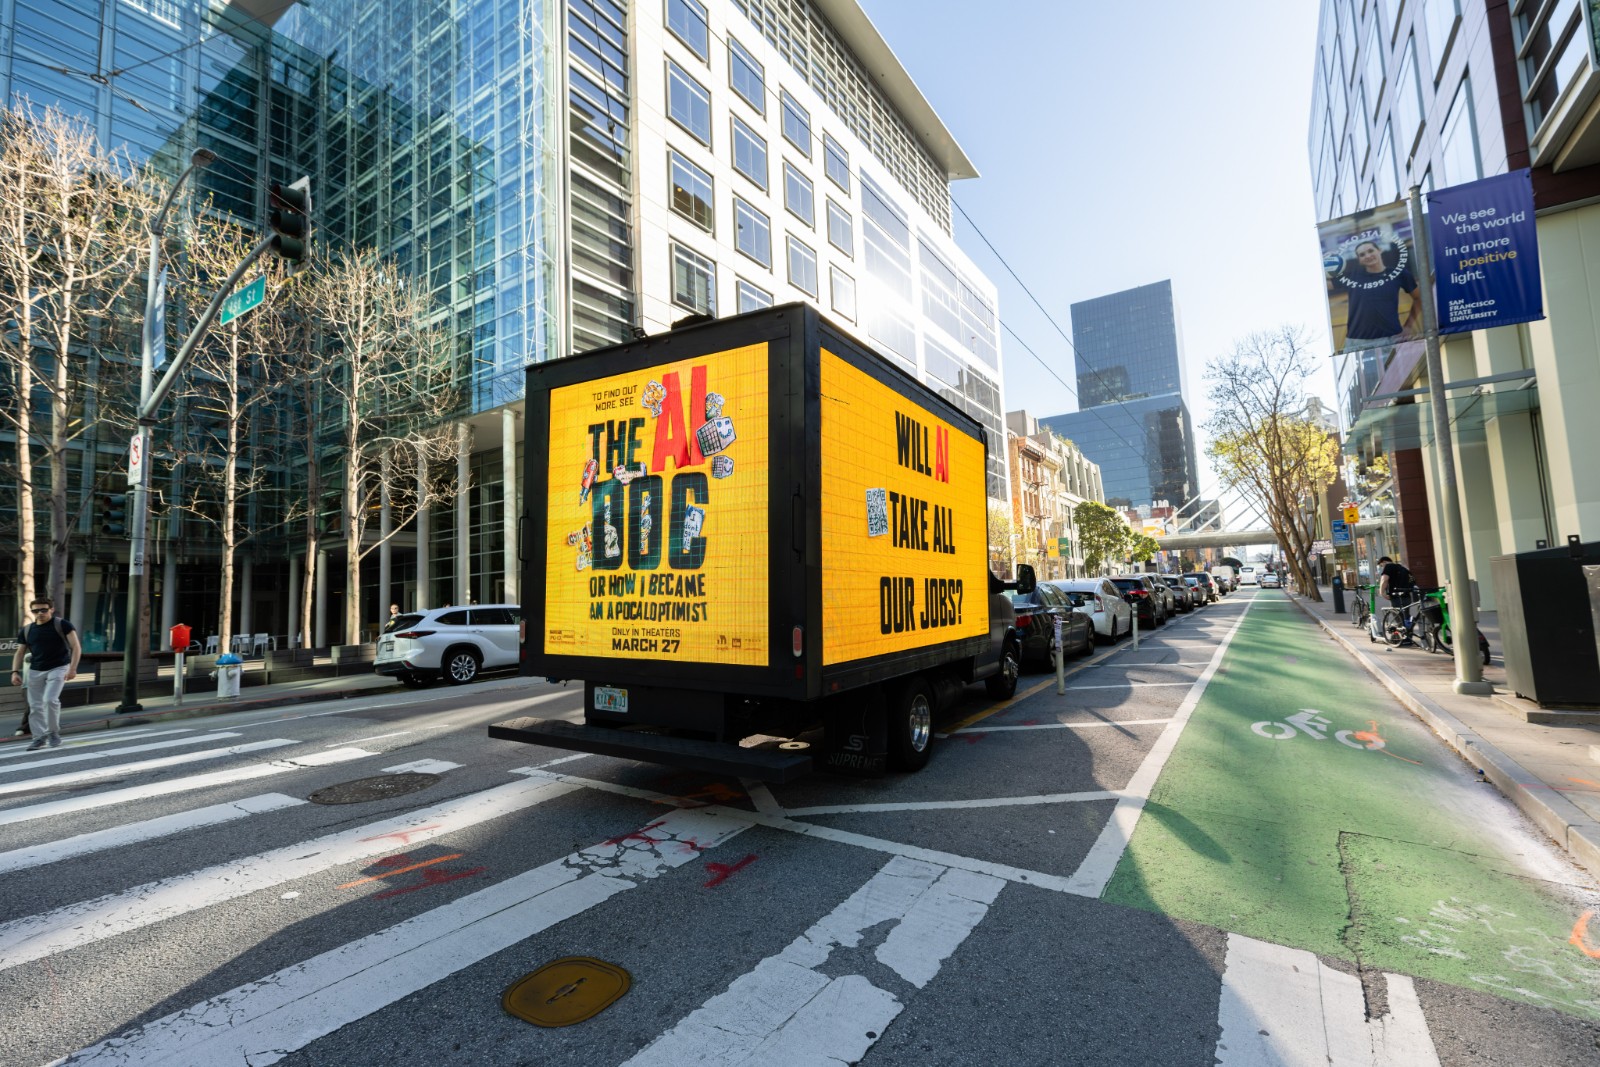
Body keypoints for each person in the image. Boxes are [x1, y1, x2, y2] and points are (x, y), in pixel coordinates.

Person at [10, 598, 82, 751]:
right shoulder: (27, 630)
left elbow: (76, 647)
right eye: (36, 611)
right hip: (35, 670)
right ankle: (39, 738)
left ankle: (53, 733)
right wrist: (15, 672)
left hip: (59, 667)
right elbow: (20, 652)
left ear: (51, 609)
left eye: (44, 610)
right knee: (35, 706)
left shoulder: (62, 624)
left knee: (50, 700)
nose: (40, 613)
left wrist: (73, 668)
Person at [1329, 240, 1421, 348]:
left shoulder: (1399, 273)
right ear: (1359, 260)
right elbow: (1326, 284)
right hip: (1357, 342)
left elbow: (1419, 298)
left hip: (1391, 339)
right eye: (1362, 255)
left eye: (1371, 251)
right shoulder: (1352, 277)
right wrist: (1324, 264)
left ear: (1379, 250)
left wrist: (1408, 326)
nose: (1368, 256)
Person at [1377, 555, 1417, 643]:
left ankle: (1401, 638)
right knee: (1406, 617)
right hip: (1406, 596)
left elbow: (1384, 580)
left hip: (1396, 596)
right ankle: (1408, 637)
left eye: (1381, 565)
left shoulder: (1388, 566)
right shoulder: (1402, 567)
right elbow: (1412, 580)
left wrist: (1382, 592)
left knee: (1398, 617)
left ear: (1384, 562)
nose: (1382, 567)